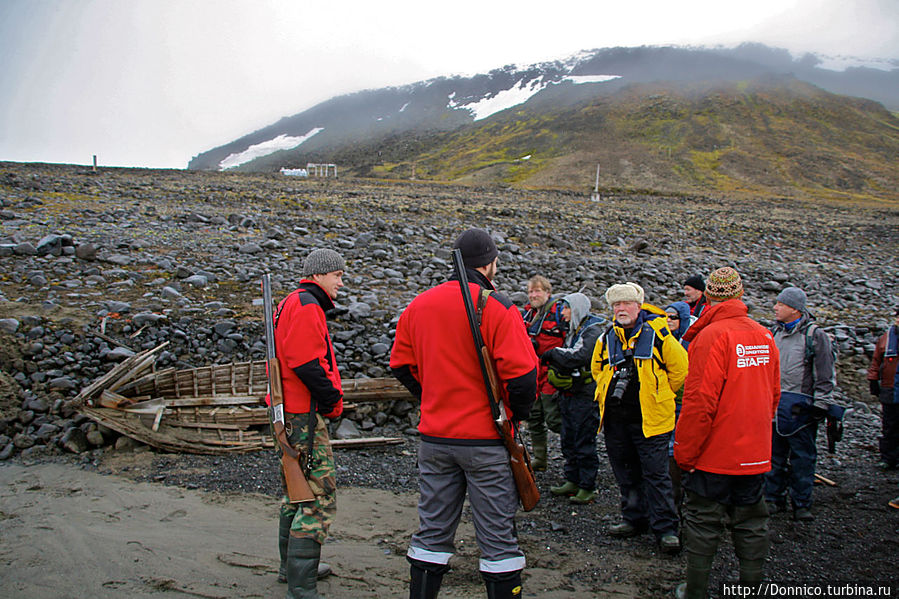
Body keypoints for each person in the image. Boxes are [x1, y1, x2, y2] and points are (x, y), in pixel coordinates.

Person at [389, 228, 538, 599]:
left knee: (431, 534)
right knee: (498, 542)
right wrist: (512, 417)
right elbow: (523, 378)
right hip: (486, 442)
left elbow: (400, 365)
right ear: (490, 264)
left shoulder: (418, 305)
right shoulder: (498, 307)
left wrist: (432, 397)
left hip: (435, 440)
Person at [673, 267, 781, 599]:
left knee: (704, 521)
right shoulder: (764, 335)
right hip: (755, 452)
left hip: (715, 455)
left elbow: (699, 402)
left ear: (709, 295)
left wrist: (685, 454)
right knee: (751, 522)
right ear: (740, 293)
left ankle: (696, 590)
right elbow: (774, 394)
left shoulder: (712, 336)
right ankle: (752, 586)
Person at [590, 282, 688, 554]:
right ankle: (633, 519)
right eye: (616, 305)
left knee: (657, 475)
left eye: (626, 304)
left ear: (639, 306)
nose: (621, 309)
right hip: (616, 421)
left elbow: (680, 370)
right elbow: (596, 369)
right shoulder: (607, 337)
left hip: (652, 421)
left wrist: (659, 394)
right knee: (626, 474)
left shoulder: (660, 336)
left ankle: (666, 528)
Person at [272, 248, 346, 599]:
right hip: (302, 413)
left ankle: (293, 569)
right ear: (318, 275)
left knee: (296, 489)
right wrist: (331, 399)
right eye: (337, 275)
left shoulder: (295, 302)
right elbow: (304, 362)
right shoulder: (305, 305)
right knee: (317, 496)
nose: (340, 283)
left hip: (293, 411)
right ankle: (301, 588)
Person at [764, 286, 836, 521]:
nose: (775, 307)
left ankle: (802, 503)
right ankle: (773, 498)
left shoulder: (815, 336)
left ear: (794, 309)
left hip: (801, 408)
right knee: (774, 455)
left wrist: (822, 404)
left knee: (803, 458)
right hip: (775, 405)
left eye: (781, 304)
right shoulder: (773, 333)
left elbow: (825, 373)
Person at [542, 292, 605, 504]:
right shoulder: (574, 330)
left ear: (577, 308)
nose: (563, 313)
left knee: (583, 439)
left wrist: (553, 355)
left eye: (567, 308)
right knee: (568, 437)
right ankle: (572, 478)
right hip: (570, 394)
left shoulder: (591, 332)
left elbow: (580, 357)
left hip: (585, 396)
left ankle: (587, 486)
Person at [522, 275, 567, 471]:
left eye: (537, 291)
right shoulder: (527, 315)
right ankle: (539, 459)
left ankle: (574, 456)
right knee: (533, 418)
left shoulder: (559, 312)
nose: (533, 295)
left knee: (554, 419)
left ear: (548, 293)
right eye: (531, 291)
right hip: (533, 373)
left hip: (552, 372)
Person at [665, 300, 694, 508]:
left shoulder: (691, 342)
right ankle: (672, 493)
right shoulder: (664, 340)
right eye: (666, 316)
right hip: (667, 402)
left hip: (685, 403)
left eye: (673, 317)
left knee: (680, 445)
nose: (669, 321)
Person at [868, 308, 899, 470]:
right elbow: (876, 361)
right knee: (889, 426)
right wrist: (873, 379)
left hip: (892, 387)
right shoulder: (886, 339)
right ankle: (888, 458)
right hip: (890, 389)